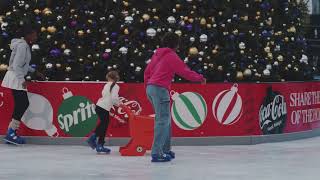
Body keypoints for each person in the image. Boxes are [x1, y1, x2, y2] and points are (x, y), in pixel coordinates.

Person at [144, 32, 206, 162]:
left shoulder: (157, 54)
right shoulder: (171, 56)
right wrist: (200, 78)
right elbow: (184, 71)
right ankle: (157, 152)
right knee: (163, 120)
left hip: (151, 88)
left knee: (165, 120)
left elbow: (147, 72)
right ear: (176, 44)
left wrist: (148, 87)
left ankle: (165, 150)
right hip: (160, 89)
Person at [1, 25, 44, 145]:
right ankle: (11, 132)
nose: (36, 37)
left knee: (22, 103)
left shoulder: (23, 45)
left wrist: (34, 71)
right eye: (34, 34)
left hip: (15, 75)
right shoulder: (23, 46)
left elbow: (23, 64)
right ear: (28, 35)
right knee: (23, 103)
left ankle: (11, 131)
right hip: (16, 76)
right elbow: (16, 65)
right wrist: (21, 80)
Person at [86, 71, 120, 153]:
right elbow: (114, 98)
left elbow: (106, 95)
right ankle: (93, 139)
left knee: (103, 125)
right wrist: (118, 104)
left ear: (109, 77)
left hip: (99, 106)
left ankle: (99, 145)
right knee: (103, 125)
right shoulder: (115, 86)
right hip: (104, 107)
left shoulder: (107, 85)